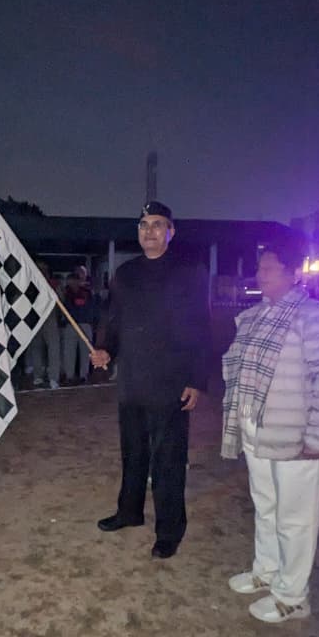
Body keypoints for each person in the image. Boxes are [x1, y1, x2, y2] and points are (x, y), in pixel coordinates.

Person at [220, 229, 319, 624]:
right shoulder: (257, 316)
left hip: (298, 437)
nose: (261, 274)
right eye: (260, 267)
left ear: (294, 273)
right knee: (267, 507)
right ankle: (267, 570)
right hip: (260, 430)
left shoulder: (314, 317)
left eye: (270, 268)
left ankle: (293, 596)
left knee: (296, 519)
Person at [91, 202, 210, 560]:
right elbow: (114, 320)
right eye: (144, 225)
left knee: (168, 462)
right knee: (133, 454)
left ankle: (169, 530)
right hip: (132, 381)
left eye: (158, 225)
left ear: (171, 231)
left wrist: (196, 379)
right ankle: (129, 512)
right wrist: (106, 349)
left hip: (171, 383)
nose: (150, 231)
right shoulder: (126, 274)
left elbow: (200, 329)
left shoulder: (188, 272)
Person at [26, 261, 63, 389]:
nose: (42, 271)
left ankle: (53, 378)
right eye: (39, 268)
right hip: (35, 318)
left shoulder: (54, 284)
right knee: (36, 347)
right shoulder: (30, 283)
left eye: (44, 269)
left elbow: (61, 302)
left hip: (50, 318)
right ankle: (38, 376)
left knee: (54, 349)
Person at [59, 265, 99, 384]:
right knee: (69, 351)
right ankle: (69, 376)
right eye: (71, 280)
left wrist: (94, 322)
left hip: (85, 324)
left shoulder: (87, 292)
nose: (73, 283)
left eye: (75, 280)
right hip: (70, 325)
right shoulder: (66, 292)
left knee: (85, 352)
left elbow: (93, 307)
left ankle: (84, 375)